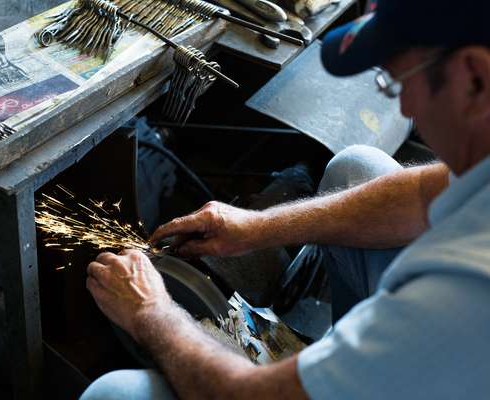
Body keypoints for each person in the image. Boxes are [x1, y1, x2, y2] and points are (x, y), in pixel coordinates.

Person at [81, 0, 490, 398]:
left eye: (399, 82)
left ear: (474, 77)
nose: (403, 105)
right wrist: (255, 227)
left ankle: (342, 368)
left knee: (113, 393)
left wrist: (152, 312)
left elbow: (250, 394)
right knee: (358, 166)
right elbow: (423, 193)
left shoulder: (459, 289)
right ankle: (341, 362)